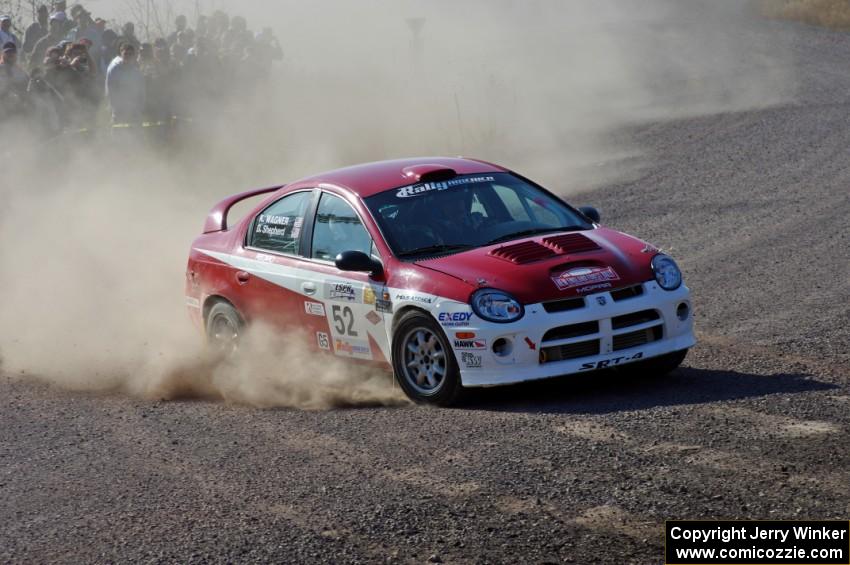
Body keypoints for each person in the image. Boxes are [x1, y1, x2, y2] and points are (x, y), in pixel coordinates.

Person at [106, 42, 144, 123]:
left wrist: (139, 107)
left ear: (133, 56)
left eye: (130, 54)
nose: (127, 56)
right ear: (121, 54)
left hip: (134, 110)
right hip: (118, 110)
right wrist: (114, 107)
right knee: (117, 132)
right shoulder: (114, 69)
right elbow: (109, 90)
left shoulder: (136, 72)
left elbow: (141, 92)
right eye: (125, 54)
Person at [0, 42, 30, 122]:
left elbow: (27, 81)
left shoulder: (19, 69)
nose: (10, 55)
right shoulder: (1, 68)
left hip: (19, 99)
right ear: (3, 54)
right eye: (8, 53)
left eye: (12, 53)